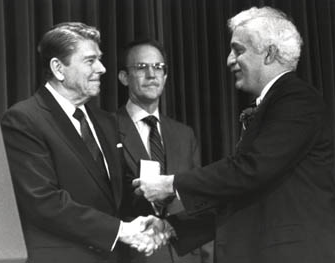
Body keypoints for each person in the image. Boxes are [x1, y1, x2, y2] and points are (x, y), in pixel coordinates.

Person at [134, 6, 335, 263]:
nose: (230, 60)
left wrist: (171, 184)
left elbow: (250, 170)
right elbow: (242, 192)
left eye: (238, 50)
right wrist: (173, 226)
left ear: (270, 53)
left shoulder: (296, 100)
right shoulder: (275, 102)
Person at [1, 22, 165, 263]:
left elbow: (113, 192)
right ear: (58, 68)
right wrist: (120, 231)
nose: (102, 68)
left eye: (99, 59)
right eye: (90, 61)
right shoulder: (23, 119)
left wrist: (149, 211)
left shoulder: (106, 121)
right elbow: (43, 202)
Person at [115, 39, 214, 263]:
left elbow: (198, 200)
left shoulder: (184, 134)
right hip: (135, 256)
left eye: (158, 67)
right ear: (124, 77)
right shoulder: (107, 129)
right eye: (141, 67)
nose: (152, 74)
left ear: (166, 76)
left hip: (185, 255)